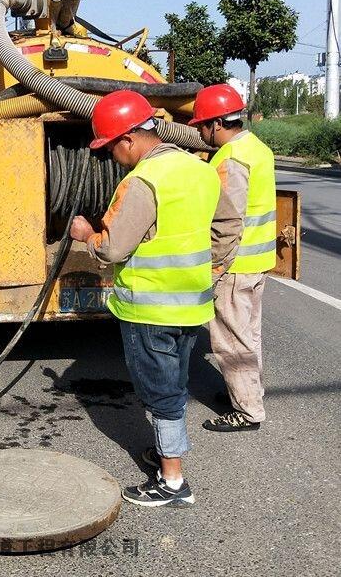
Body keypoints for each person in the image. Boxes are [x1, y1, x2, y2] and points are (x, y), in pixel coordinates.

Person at [70, 90, 241, 507]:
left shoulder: (142, 182)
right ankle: (167, 455)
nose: (112, 157)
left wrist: (85, 236)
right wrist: (212, 270)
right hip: (190, 306)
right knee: (175, 383)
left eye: (111, 148)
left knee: (160, 392)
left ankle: (173, 482)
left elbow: (114, 249)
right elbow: (229, 227)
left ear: (128, 139)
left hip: (149, 308)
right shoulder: (199, 170)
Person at [189, 84, 276, 432]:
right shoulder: (258, 148)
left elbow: (229, 221)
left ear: (215, 124)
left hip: (235, 265)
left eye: (201, 126)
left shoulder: (230, 160)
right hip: (258, 261)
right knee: (249, 335)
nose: (198, 132)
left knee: (230, 340)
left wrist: (213, 268)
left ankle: (247, 411)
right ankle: (250, 393)